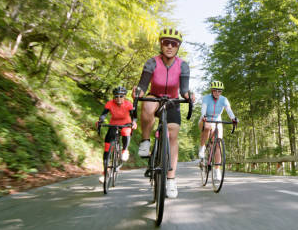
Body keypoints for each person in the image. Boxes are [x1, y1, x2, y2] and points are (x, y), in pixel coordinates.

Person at [133, 28, 194, 198]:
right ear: (161, 44)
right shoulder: (152, 62)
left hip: (173, 100)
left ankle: (171, 180)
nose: (169, 46)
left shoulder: (183, 65)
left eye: (173, 44)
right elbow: (143, 86)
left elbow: (183, 90)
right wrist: (138, 92)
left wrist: (189, 96)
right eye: (166, 42)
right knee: (147, 104)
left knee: (173, 135)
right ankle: (145, 141)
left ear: (178, 47)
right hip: (155, 96)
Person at [95, 86, 138, 183]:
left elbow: (134, 116)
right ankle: (105, 173)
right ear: (114, 97)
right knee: (107, 149)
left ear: (124, 96)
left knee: (125, 132)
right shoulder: (110, 103)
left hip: (126, 124)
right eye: (116, 96)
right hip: (113, 125)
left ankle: (124, 150)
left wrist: (134, 122)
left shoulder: (128, 104)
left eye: (121, 96)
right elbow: (104, 114)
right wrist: (100, 120)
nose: (118, 98)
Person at [198, 80, 237, 181]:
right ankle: (202, 148)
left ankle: (217, 171)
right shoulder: (206, 98)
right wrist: (203, 116)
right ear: (212, 90)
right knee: (206, 127)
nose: (217, 93)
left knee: (218, 145)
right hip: (206, 118)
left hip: (217, 119)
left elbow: (228, 109)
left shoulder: (224, 99)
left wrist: (233, 118)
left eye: (219, 91)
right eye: (215, 90)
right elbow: (203, 108)